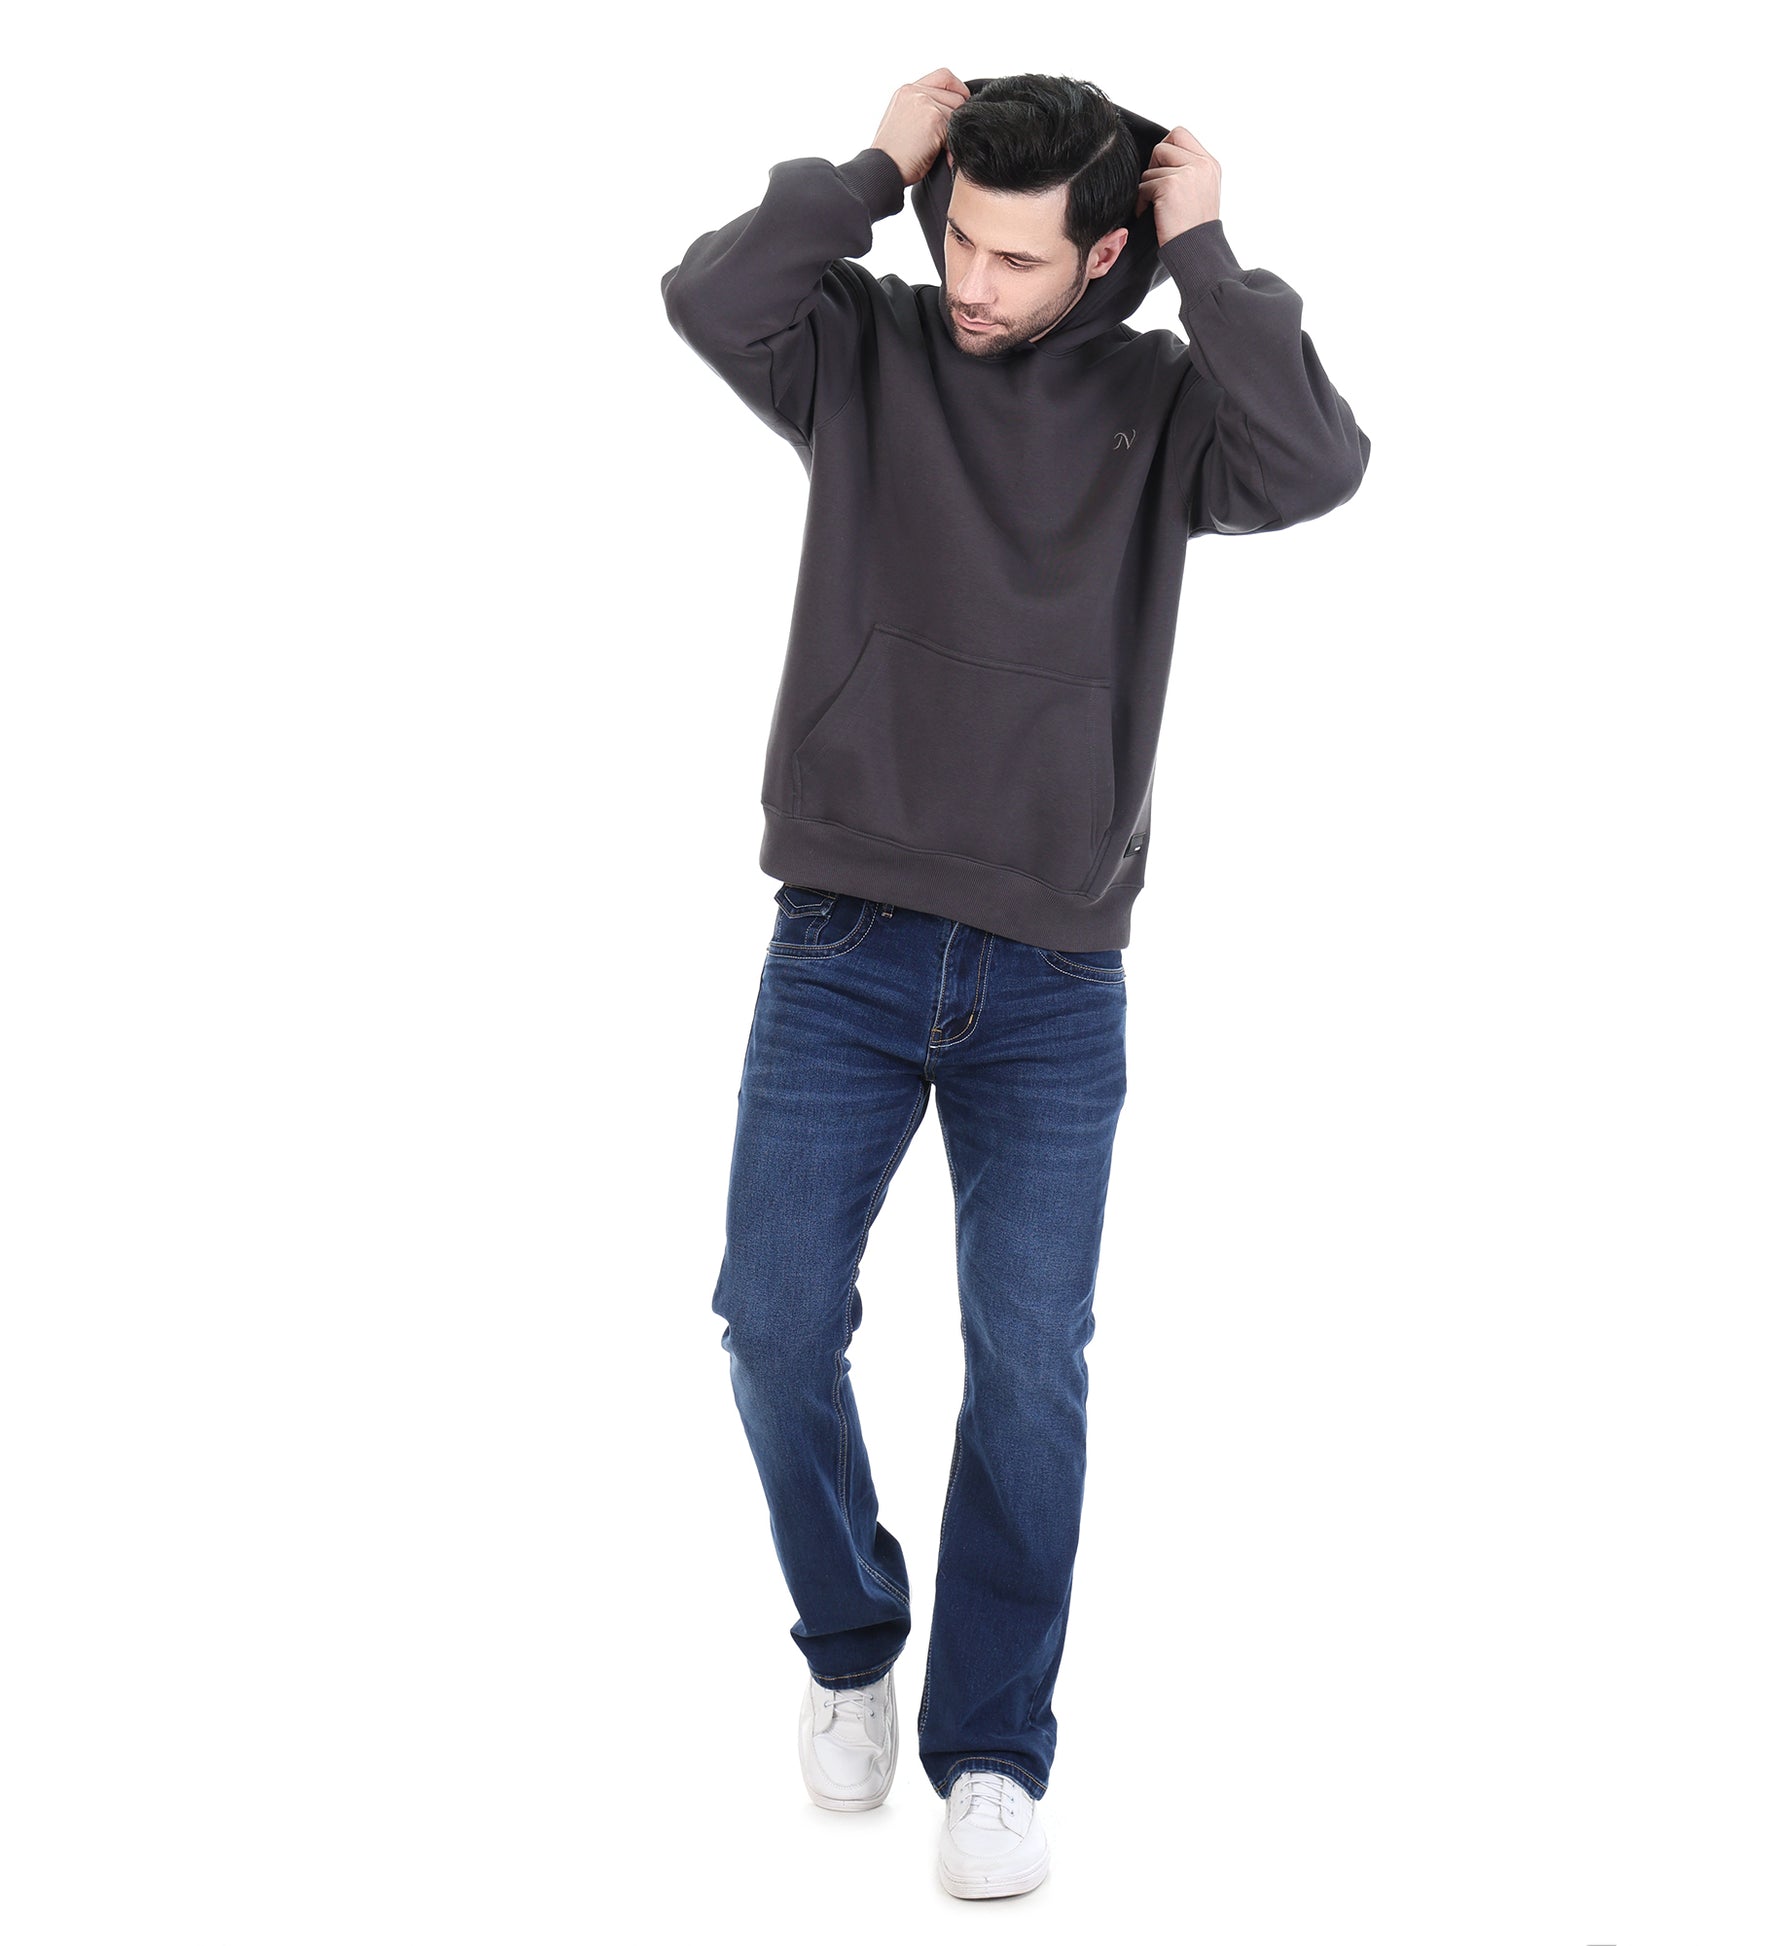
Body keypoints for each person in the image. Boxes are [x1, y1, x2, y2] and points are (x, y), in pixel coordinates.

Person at [662, 69, 1370, 1899]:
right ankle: (848, 1642)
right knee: (770, 1318)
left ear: (1105, 254)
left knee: (1027, 1363)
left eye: (1016, 257)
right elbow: (709, 293)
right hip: (840, 937)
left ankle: (993, 1747)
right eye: (957, 239)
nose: (971, 283)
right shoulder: (862, 348)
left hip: (1054, 967)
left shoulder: (1169, 403)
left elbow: (1317, 463)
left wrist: (1214, 255)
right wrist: (872, 166)